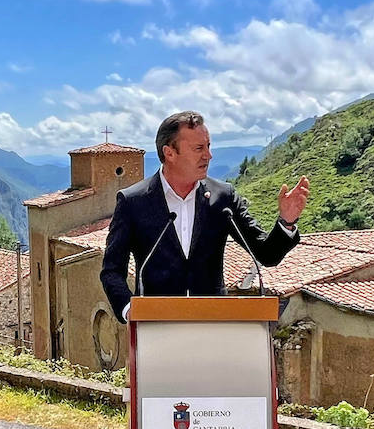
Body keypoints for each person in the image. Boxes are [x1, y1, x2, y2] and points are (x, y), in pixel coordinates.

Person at [101, 110, 310, 320]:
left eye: (208, 147)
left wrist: (287, 221)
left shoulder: (223, 197)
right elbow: (111, 270)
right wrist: (130, 310)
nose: (208, 156)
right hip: (155, 329)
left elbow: (266, 254)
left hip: (213, 326)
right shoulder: (133, 201)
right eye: (199, 148)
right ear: (170, 153)